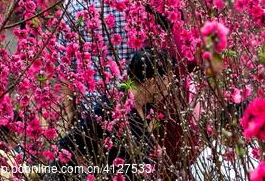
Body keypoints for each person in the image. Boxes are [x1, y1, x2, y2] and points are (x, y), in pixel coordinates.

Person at [49, 49, 172, 179]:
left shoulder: (146, 106)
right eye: (167, 79)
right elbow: (66, 147)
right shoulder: (110, 110)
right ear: (151, 82)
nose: (170, 85)